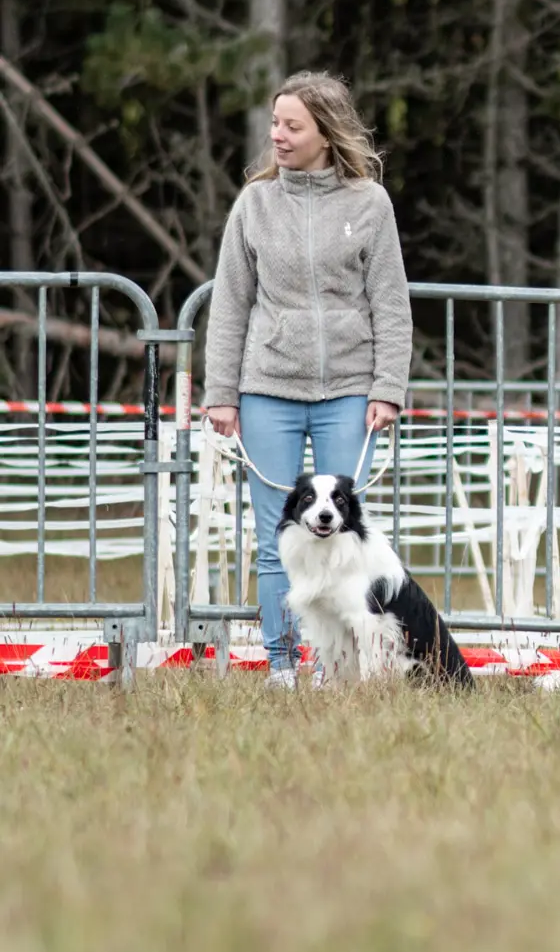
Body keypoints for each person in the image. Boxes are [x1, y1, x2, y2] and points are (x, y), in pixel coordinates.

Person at [201, 72, 413, 689]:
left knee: (346, 536)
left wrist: (387, 388)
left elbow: (391, 303)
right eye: (275, 124)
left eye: (292, 125)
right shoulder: (254, 205)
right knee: (279, 540)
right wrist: (220, 394)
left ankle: (339, 665)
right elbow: (232, 304)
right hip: (267, 389)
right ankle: (282, 664)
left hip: (350, 390)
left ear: (326, 131)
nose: (278, 136)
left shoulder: (371, 205)